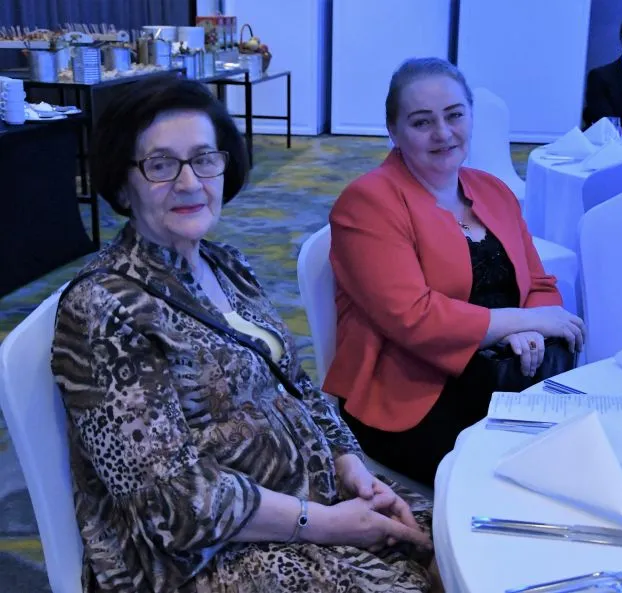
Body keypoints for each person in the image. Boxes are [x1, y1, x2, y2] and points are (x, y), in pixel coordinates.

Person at [50, 75, 438, 593]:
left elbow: (296, 385)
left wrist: (350, 465)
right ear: (123, 184)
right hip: (199, 557)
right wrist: (325, 524)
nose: (190, 182)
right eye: (160, 165)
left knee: (452, 540)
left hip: (308, 498)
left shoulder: (226, 265)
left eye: (204, 159)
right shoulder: (103, 307)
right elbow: (169, 502)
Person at [324, 57, 586, 488]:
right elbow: (414, 318)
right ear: (393, 130)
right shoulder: (368, 203)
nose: (443, 133)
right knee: (523, 475)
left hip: (507, 372)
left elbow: (538, 283)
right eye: (422, 122)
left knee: (581, 454)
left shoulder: (493, 190)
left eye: (454, 115)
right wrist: (518, 322)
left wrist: (530, 329)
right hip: (410, 394)